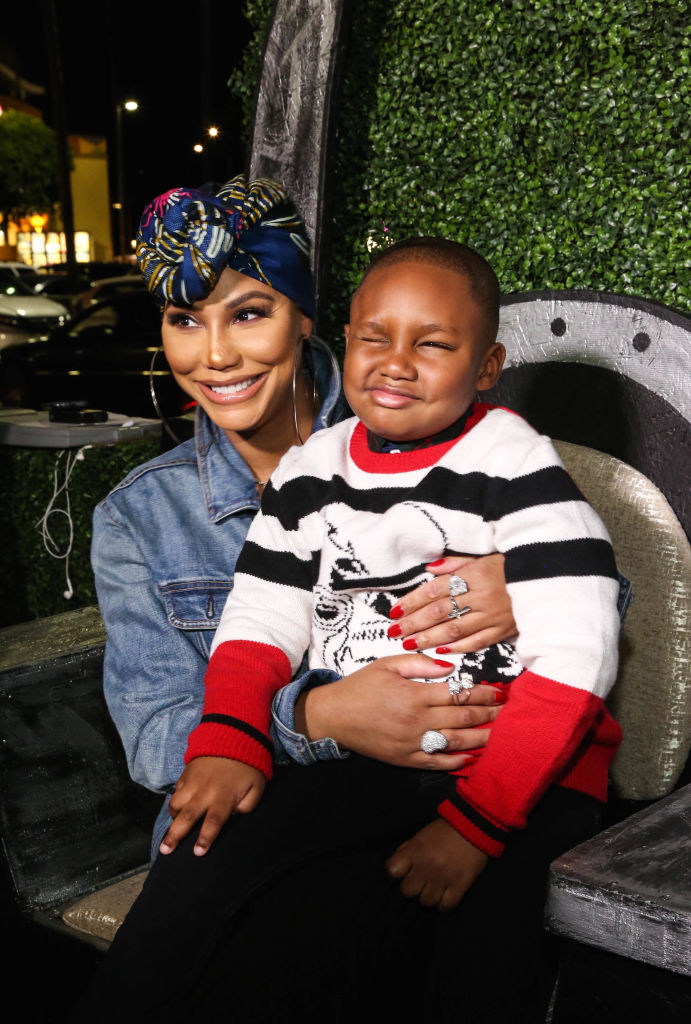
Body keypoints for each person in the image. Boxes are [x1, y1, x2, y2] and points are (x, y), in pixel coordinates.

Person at [74, 232, 621, 1024]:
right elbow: (257, 615)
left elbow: (581, 643)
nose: (396, 363)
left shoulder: (513, 460)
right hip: (357, 764)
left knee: (476, 949)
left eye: (430, 345)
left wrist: (473, 825)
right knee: (207, 859)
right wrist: (239, 734)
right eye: (185, 321)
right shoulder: (306, 471)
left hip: (510, 769)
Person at [91, 178, 512, 857]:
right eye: (185, 320)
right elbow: (155, 740)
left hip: (444, 799)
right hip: (245, 825)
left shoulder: (429, 415)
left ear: (307, 315)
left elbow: (597, 593)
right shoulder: (139, 518)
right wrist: (318, 717)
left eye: (249, 313)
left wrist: (516, 584)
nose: (216, 355)